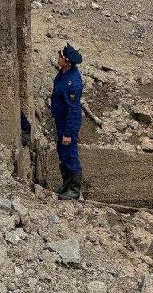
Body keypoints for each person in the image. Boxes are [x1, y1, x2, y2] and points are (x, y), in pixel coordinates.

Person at [50, 43, 84, 200]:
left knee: (70, 153)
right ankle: (66, 184)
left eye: (61, 57)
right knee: (62, 152)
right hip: (60, 120)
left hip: (68, 122)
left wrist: (68, 133)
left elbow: (73, 109)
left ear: (67, 62)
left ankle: (74, 189)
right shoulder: (62, 73)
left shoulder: (73, 82)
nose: (58, 58)